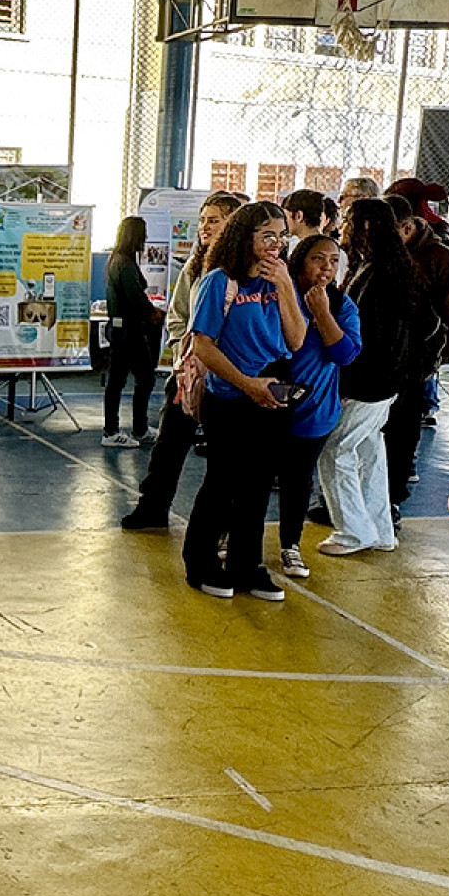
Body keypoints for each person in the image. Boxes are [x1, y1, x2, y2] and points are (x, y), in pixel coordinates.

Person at [180, 202, 304, 601]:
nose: (277, 244)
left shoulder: (277, 281)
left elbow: (296, 339)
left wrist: (285, 286)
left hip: (271, 395)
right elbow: (203, 345)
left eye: (282, 237)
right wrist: (248, 384)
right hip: (230, 397)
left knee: (257, 486)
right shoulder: (219, 281)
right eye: (268, 235)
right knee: (222, 483)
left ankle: (247, 565)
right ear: (245, 236)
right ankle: (200, 564)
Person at [120, 190, 243, 530]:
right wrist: (182, 355)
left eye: (214, 221)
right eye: (202, 220)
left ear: (233, 224)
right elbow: (178, 316)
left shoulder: (242, 270)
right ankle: (153, 507)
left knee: (226, 454)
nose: (205, 227)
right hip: (189, 370)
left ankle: (223, 523)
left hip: (227, 373)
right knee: (169, 443)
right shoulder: (195, 264)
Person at [317, 195, 410, 557]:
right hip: (385, 381)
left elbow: (367, 338)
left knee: (336, 450)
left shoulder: (376, 274)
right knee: (369, 452)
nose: (343, 229)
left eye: (349, 221)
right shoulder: (389, 266)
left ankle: (353, 531)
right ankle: (380, 529)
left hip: (369, 382)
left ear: (366, 227)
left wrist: (348, 382)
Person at [273, 233, 358, 580]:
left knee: (298, 480)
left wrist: (322, 312)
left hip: (315, 410)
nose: (326, 268)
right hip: (272, 400)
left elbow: (345, 354)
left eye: (334, 261)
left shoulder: (341, 305)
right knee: (255, 473)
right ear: (299, 262)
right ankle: (232, 532)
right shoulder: (279, 294)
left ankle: (290, 545)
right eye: (317, 259)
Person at [384, 193, 449, 516]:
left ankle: (393, 495)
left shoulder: (438, 257)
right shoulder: (382, 253)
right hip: (379, 358)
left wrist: (441, 357)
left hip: (415, 360)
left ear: (404, 228)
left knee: (402, 429)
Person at [101, 214, 160, 448]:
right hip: (128, 331)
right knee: (144, 377)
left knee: (119, 380)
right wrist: (154, 312)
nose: (145, 239)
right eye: (143, 234)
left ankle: (126, 428)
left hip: (121, 330)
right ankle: (126, 429)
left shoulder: (119, 260)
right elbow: (136, 299)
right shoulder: (124, 263)